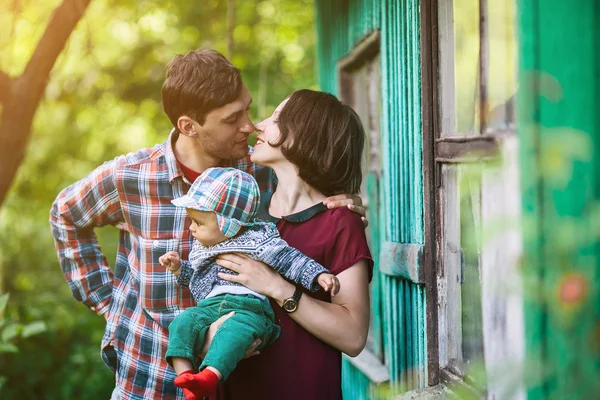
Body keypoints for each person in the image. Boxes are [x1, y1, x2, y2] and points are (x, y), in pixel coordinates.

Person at [49, 49, 365, 400]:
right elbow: (65, 214)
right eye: (232, 119)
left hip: (238, 377)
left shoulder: (261, 175)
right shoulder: (131, 177)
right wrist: (109, 304)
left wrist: (343, 200)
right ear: (188, 126)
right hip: (152, 376)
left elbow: (309, 193)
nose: (249, 125)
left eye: (247, 109)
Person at [208, 89, 374, 400]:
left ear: (303, 137)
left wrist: (276, 285)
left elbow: (353, 336)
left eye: (275, 119)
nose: (258, 124)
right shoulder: (243, 216)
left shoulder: (341, 222)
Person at [159, 167, 340, 399]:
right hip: (209, 308)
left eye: (198, 222)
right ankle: (187, 380)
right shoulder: (204, 246)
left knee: (234, 331)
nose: (191, 227)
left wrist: (318, 275)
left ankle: (209, 378)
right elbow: (196, 278)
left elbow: (290, 260)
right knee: (183, 321)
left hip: (249, 310)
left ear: (228, 225)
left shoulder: (258, 241)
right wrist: (178, 269)